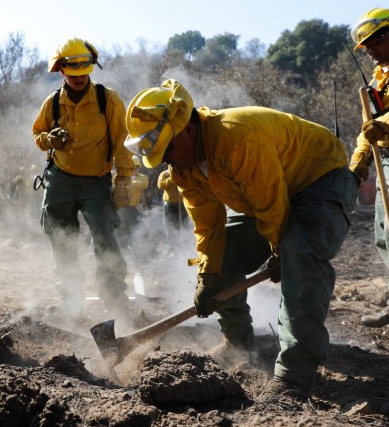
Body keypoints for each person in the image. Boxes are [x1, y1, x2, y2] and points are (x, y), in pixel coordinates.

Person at [124, 79, 357, 400]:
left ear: (188, 129)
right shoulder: (183, 168)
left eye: (168, 149)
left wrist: (279, 253)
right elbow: (208, 227)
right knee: (224, 258)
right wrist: (208, 276)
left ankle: (295, 377)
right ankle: (238, 342)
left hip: (319, 179)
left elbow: (272, 205)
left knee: (298, 255)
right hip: (264, 196)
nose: (167, 160)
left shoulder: (237, 138)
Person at [32, 37, 135, 316]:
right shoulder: (52, 103)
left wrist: (124, 180)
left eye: (84, 73)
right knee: (60, 238)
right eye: (73, 74)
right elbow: (38, 136)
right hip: (60, 180)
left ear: (91, 68)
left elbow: (122, 142)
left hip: (96, 182)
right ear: (61, 71)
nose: (79, 79)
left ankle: (116, 301)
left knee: (105, 239)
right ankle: (71, 301)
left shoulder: (108, 100)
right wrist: (50, 139)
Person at [349, 8, 389, 338]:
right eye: (367, 44)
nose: (371, 49)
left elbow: (388, 126)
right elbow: (368, 128)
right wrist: (358, 163)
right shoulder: (378, 79)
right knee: (383, 233)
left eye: (378, 40)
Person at [116, 155, 149, 250]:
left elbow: (143, 184)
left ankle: (137, 251)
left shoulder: (142, 178)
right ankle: (123, 250)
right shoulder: (121, 177)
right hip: (121, 208)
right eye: (132, 168)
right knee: (121, 231)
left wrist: (129, 182)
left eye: (136, 167)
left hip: (134, 208)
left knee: (136, 230)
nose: (134, 169)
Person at [157, 165, 186, 241]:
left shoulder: (182, 172)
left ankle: (182, 243)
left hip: (182, 203)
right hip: (169, 204)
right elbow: (161, 185)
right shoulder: (164, 174)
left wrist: (177, 176)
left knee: (182, 224)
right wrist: (171, 178)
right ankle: (172, 246)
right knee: (169, 225)